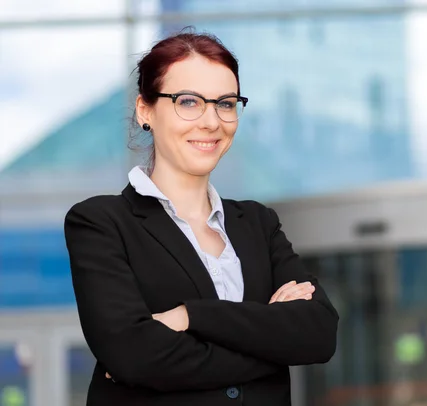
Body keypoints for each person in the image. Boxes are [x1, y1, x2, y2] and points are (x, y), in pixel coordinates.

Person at [64, 31, 338, 406]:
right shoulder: (100, 223)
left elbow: (319, 334)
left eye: (226, 104)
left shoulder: (258, 223)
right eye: (189, 101)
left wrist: (191, 317)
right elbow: (135, 357)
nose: (212, 121)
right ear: (146, 110)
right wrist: (271, 342)